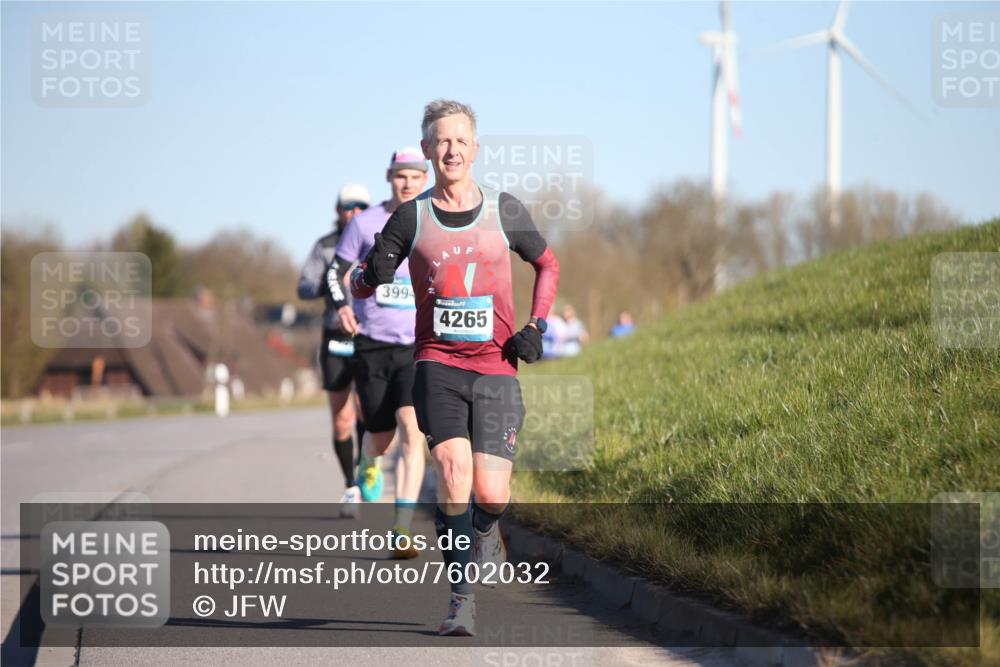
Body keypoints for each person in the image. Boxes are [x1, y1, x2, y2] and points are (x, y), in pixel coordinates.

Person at [351, 99, 560, 636]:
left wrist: (536, 325)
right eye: (442, 141)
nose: (452, 150)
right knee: (452, 472)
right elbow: (362, 283)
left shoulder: (503, 209)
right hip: (436, 363)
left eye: (461, 140)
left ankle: (486, 529)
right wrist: (368, 275)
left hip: (496, 366)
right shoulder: (410, 216)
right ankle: (460, 601)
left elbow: (548, 264)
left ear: (475, 149)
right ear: (427, 149)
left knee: (491, 494)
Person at [328, 148, 429, 558]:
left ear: (425, 180)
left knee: (412, 431)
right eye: (401, 176)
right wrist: (342, 306)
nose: (408, 183)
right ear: (389, 178)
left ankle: (401, 529)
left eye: (415, 177)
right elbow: (334, 272)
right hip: (371, 343)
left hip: (417, 345)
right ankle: (367, 461)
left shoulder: (434, 221)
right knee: (381, 438)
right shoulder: (365, 223)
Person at [298, 183, 370, 514]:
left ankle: (365, 467)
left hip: (369, 335)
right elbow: (304, 287)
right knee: (342, 417)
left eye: (361, 207)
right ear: (338, 211)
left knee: (367, 409)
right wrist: (331, 279)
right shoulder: (325, 246)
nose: (354, 212)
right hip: (336, 335)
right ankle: (350, 486)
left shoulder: (376, 240)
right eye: (348, 207)